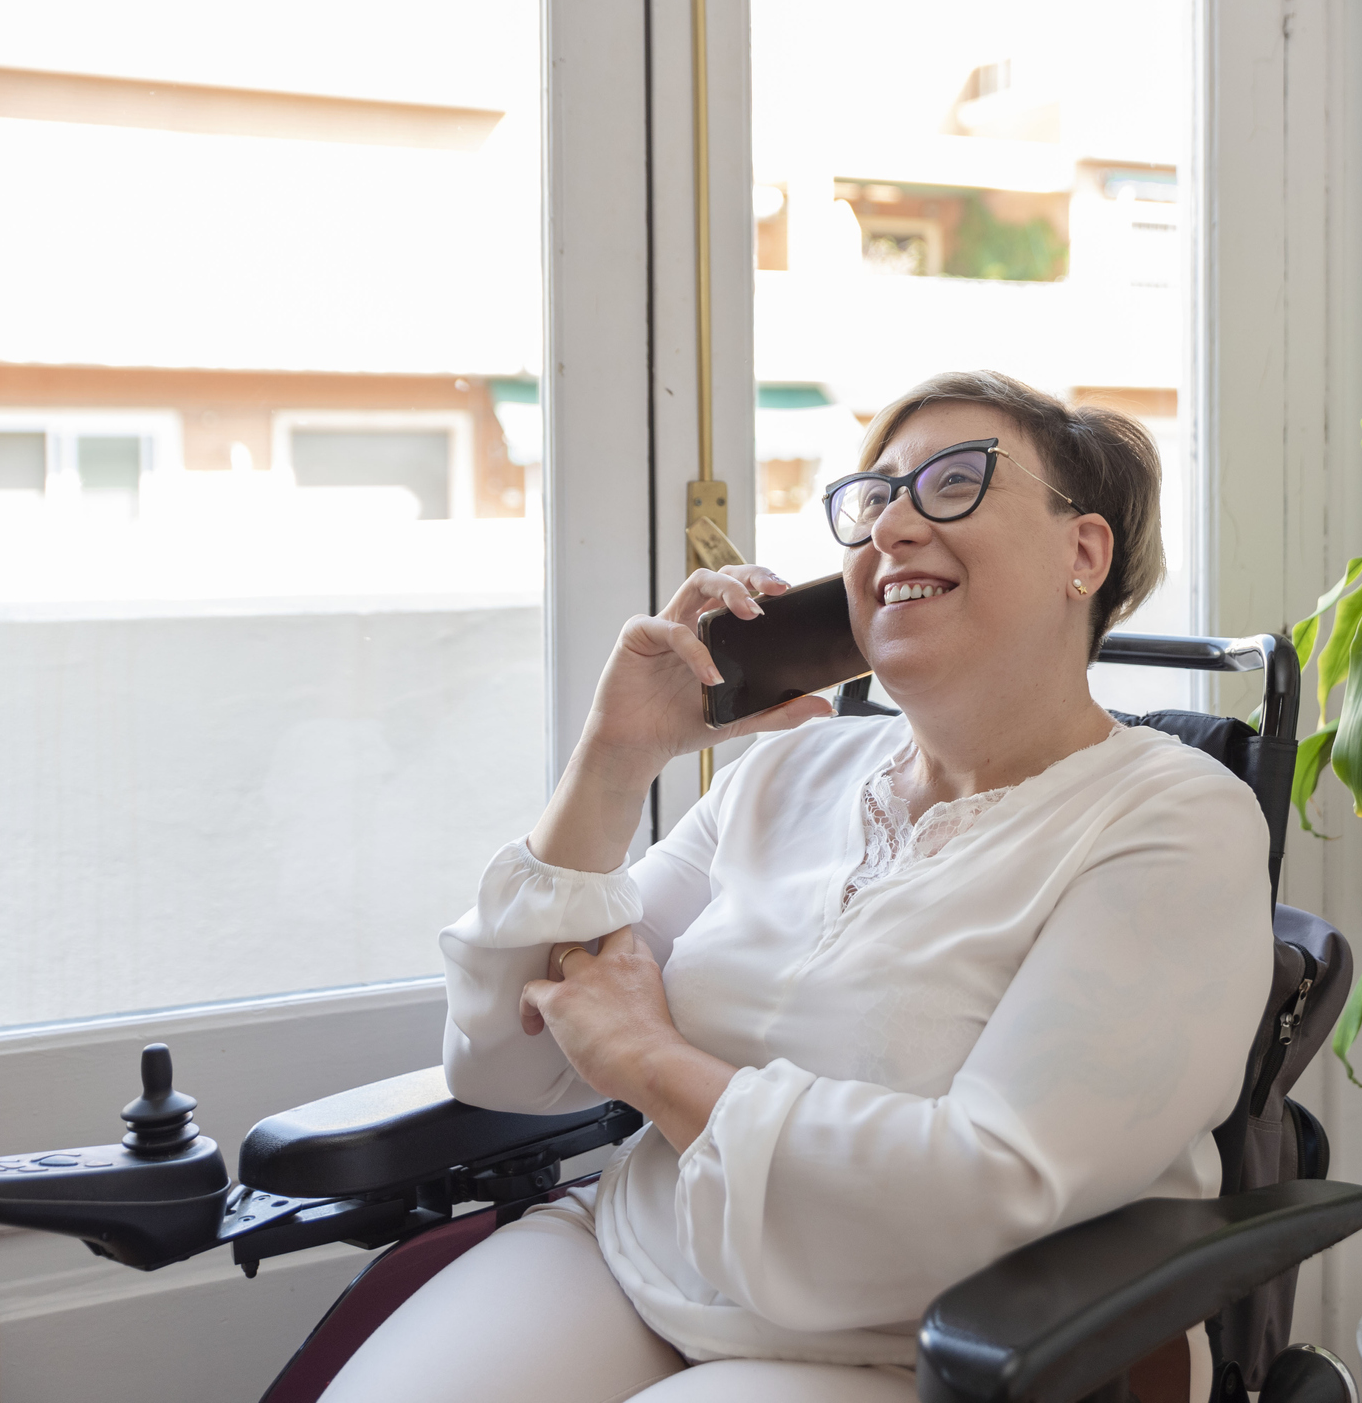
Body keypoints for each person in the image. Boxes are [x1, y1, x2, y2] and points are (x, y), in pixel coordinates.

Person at [322, 371, 1273, 1403]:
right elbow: (510, 1063)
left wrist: (648, 1058)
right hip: (634, 1254)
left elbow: (991, 1188)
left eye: (953, 482)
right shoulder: (781, 771)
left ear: (1081, 552)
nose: (892, 526)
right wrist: (614, 757)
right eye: (872, 499)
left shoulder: (1173, 820)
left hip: (901, 1342)